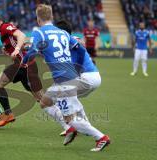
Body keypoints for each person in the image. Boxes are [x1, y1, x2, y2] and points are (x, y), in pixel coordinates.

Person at [20, 4, 109, 151]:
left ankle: (100, 137)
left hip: (65, 79)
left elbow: (32, 52)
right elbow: (79, 47)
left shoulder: (39, 33)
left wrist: (23, 63)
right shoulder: (63, 33)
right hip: (71, 76)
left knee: (70, 118)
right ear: (52, 17)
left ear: (37, 19)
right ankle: (70, 129)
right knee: (45, 102)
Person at [56, 20, 110, 152]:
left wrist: (77, 68)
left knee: (59, 99)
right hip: (94, 76)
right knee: (69, 98)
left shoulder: (68, 40)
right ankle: (84, 126)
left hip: (86, 77)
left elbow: (80, 48)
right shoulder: (69, 40)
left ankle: (98, 136)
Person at [0, 11, 43, 127]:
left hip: (23, 66)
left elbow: (21, 35)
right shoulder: (3, 32)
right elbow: (18, 44)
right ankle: (70, 117)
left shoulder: (5, 27)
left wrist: (16, 50)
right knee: (40, 98)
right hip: (22, 66)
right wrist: (8, 50)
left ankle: (8, 114)